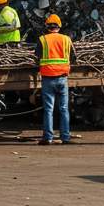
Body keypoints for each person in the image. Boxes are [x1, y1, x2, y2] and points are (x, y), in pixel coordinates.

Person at [34, 14, 74, 145]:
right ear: (59, 26)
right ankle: (65, 137)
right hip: (62, 78)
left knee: (48, 109)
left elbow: (36, 58)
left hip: (48, 79)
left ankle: (48, 138)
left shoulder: (42, 40)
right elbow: (73, 57)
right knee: (64, 109)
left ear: (47, 27)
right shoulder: (66, 39)